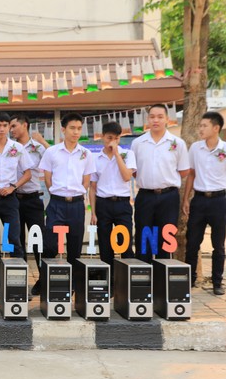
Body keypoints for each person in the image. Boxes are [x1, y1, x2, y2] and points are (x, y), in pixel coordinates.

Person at [182, 111, 226, 296]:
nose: (200, 129)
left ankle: (217, 282)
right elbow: (191, 174)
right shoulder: (195, 148)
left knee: (218, 244)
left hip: (218, 201)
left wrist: (220, 182)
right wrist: (186, 199)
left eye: (204, 126)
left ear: (216, 128)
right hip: (198, 200)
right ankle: (190, 280)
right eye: (200, 125)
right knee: (192, 242)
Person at [0, 112, 33, 298]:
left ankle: (19, 283)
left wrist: (13, 187)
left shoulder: (17, 148)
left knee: (14, 240)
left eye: (5, 125)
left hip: (10, 200)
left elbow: (28, 173)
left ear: (9, 127)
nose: (2, 129)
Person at [40, 113, 95, 282]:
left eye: (79, 128)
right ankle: (44, 281)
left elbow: (86, 181)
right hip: (56, 203)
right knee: (50, 244)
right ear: (63, 129)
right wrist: (57, 194)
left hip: (77, 204)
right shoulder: (52, 152)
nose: (76, 132)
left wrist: (77, 194)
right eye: (72, 128)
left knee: (75, 245)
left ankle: (73, 284)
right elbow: (47, 178)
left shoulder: (86, 153)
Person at [131, 104, 189, 262]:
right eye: (152, 117)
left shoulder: (177, 143)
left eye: (160, 117)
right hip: (145, 196)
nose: (155, 120)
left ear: (167, 119)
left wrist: (166, 178)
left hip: (168, 197)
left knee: (166, 236)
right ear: (147, 119)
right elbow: (134, 170)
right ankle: (144, 271)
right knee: (144, 236)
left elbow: (184, 170)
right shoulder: (138, 143)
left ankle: (162, 273)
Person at [89, 121, 136, 281]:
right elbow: (92, 188)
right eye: (109, 138)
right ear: (103, 137)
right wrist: (93, 212)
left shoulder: (127, 154)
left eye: (116, 138)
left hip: (122, 204)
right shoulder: (96, 158)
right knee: (105, 245)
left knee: (125, 243)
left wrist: (117, 154)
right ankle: (108, 281)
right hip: (103, 204)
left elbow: (127, 176)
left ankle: (126, 281)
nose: (113, 142)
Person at [9, 114, 50, 295]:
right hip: (14, 199)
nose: (11, 130)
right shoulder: (11, 148)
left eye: (14, 126)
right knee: (16, 241)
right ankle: (19, 281)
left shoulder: (37, 147)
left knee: (37, 242)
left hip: (33, 200)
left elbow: (55, 157)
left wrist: (43, 142)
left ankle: (43, 279)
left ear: (24, 125)